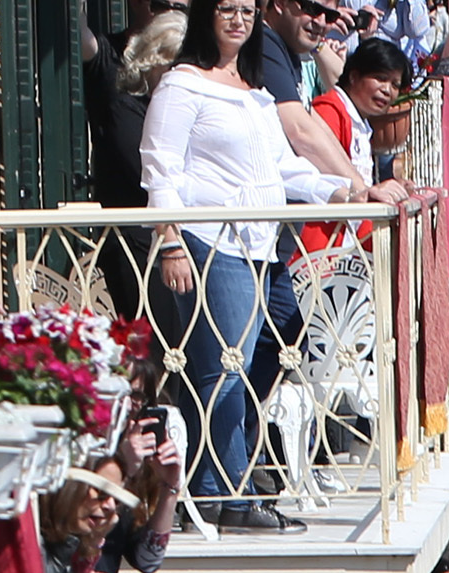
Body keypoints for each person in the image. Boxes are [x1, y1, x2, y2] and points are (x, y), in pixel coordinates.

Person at [142, 0, 371, 530]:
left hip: (262, 248)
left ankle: (227, 481)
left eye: (247, 10)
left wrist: (337, 191)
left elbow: (283, 168)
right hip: (211, 243)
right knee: (222, 367)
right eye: (227, 8)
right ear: (207, 15)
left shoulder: (256, 93)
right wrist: (171, 240)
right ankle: (222, 496)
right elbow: (160, 168)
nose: (239, 19)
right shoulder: (182, 85)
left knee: (261, 359)